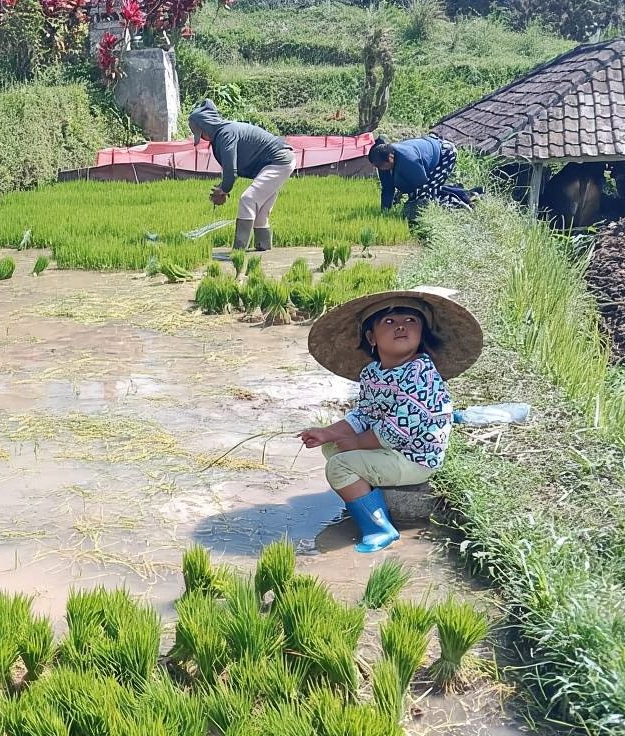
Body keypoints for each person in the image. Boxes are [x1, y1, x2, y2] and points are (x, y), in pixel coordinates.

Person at [298, 288, 483, 553]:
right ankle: (368, 490)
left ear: (421, 335)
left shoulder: (422, 374)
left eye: (411, 321)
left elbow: (396, 431)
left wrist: (354, 443)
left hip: (415, 457)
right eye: (389, 322)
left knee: (338, 467)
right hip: (390, 446)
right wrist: (329, 433)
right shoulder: (373, 373)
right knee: (332, 448)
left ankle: (378, 527)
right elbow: (364, 414)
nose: (401, 327)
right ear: (371, 337)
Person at [187, 99, 296, 253]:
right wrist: (223, 187)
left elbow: (231, 171)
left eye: (199, 133)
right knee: (261, 210)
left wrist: (223, 190)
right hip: (278, 161)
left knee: (248, 199)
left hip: (278, 160)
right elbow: (229, 171)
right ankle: (263, 247)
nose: (202, 138)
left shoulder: (226, 134)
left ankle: (238, 251)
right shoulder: (224, 133)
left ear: (205, 127)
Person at [368, 135, 479, 220]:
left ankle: (462, 205)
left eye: (380, 165)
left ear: (390, 157)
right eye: (377, 166)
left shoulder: (408, 159)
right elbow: (388, 189)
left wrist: (408, 200)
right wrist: (385, 212)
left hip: (445, 154)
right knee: (423, 192)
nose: (380, 169)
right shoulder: (383, 164)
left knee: (425, 193)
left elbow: (420, 184)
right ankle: (465, 194)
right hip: (427, 161)